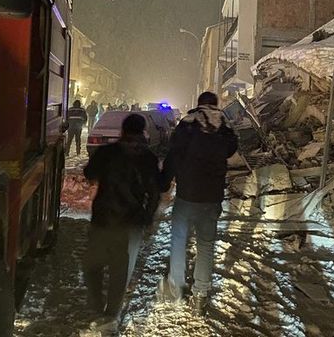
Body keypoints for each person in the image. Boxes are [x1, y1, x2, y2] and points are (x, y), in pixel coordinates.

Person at [158, 92, 238, 315]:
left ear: (199, 103)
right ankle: (200, 297)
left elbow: (174, 154)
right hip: (212, 196)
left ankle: (176, 286)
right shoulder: (224, 123)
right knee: (206, 244)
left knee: (179, 239)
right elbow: (231, 149)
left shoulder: (188, 122)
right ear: (215, 103)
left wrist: (164, 182)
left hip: (187, 193)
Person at [83, 114, 160, 328]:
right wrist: (148, 216)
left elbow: (90, 173)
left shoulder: (107, 152)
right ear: (143, 131)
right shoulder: (149, 158)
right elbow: (154, 191)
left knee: (92, 264)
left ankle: (97, 305)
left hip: (104, 216)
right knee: (120, 266)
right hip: (130, 219)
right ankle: (112, 312)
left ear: (122, 131)